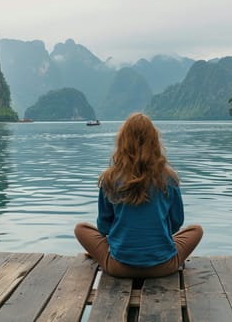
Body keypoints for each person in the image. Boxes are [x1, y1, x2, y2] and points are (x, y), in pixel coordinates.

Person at [74, 112, 203, 278]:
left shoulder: (110, 179)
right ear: (154, 142)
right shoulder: (169, 178)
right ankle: (154, 250)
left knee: (81, 229)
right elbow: (176, 223)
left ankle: (115, 251)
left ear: (122, 142)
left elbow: (104, 227)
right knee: (196, 230)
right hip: (164, 266)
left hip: (118, 266)